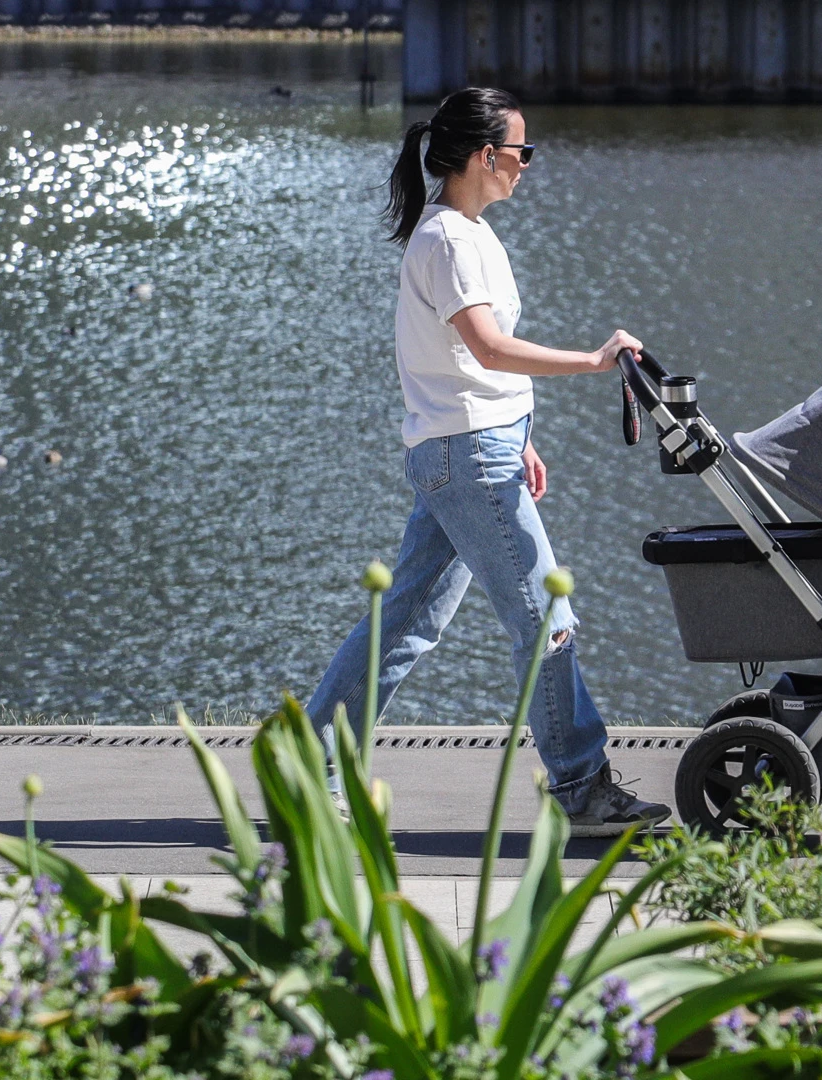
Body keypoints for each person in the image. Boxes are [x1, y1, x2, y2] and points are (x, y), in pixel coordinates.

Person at [305, 87, 669, 837]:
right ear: (485, 156)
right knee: (545, 617)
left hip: (472, 448)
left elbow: (471, 364)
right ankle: (581, 788)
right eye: (521, 152)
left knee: (407, 621)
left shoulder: (464, 232)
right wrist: (597, 360)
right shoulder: (448, 241)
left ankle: (310, 767)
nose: (527, 166)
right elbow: (489, 347)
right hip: (467, 455)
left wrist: (522, 434)